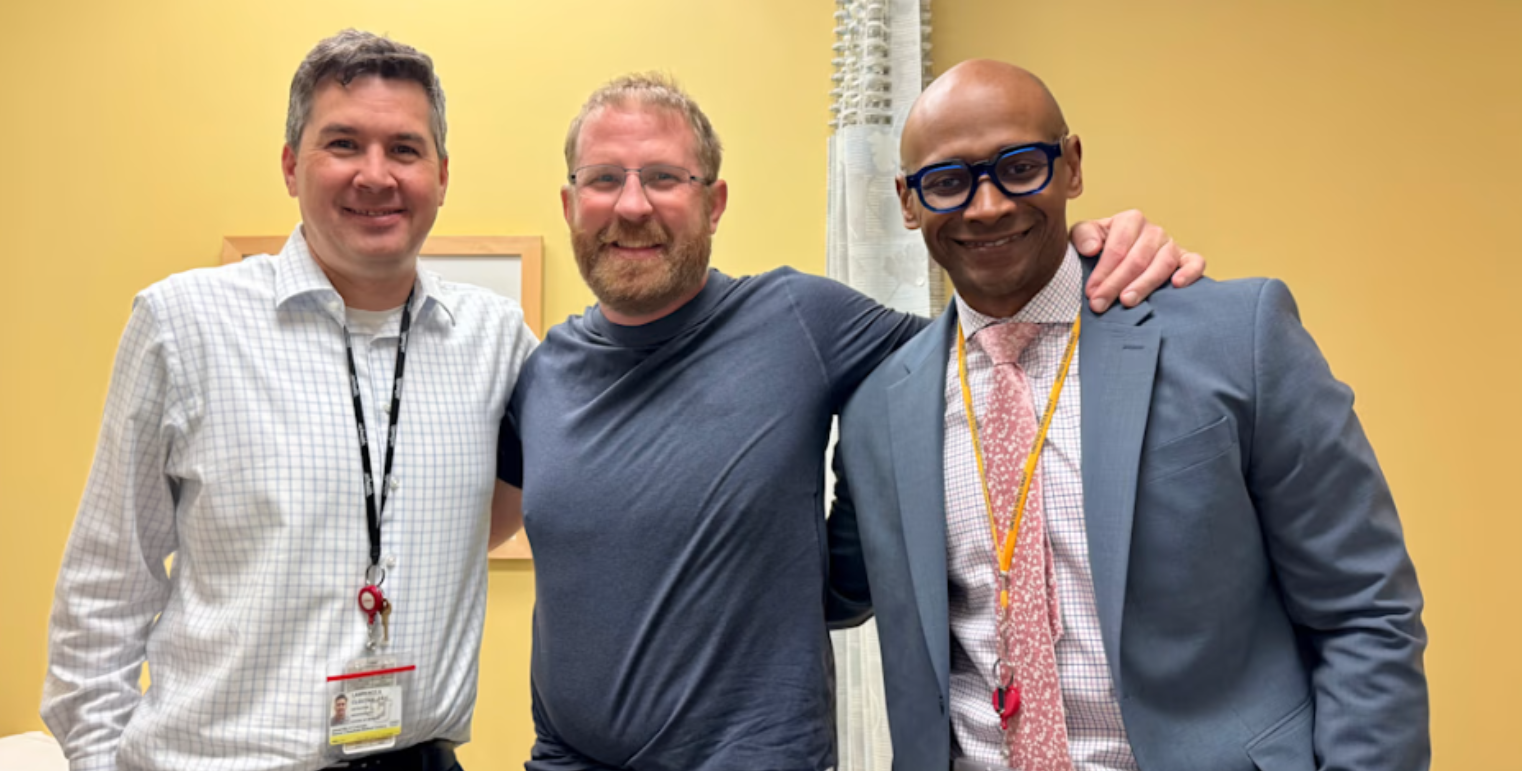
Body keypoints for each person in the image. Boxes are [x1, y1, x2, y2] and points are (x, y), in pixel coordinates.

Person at [502, 72, 1203, 771]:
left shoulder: (798, 322)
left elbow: (983, 348)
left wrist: (1101, 251)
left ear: (713, 203)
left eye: (664, 177)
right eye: (603, 180)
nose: (631, 205)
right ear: (569, 203)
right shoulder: (540, 375)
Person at [826, 59, 1429, 771]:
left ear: (1071, 165)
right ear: (907, 200)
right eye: (949, 182)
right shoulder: (876, 410)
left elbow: (1365, 611)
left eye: (1020, 167)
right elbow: (823, 588)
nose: (986, 206)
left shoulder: (1237, 338)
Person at [40, 30, 533, 771]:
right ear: (289, 165)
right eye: (343, 144)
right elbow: (105, 588)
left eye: (404, 149)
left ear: (442, 172)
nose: (376, 175)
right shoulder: (183, 324)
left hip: (418, 759)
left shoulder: (498, 341)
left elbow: (505, 512)